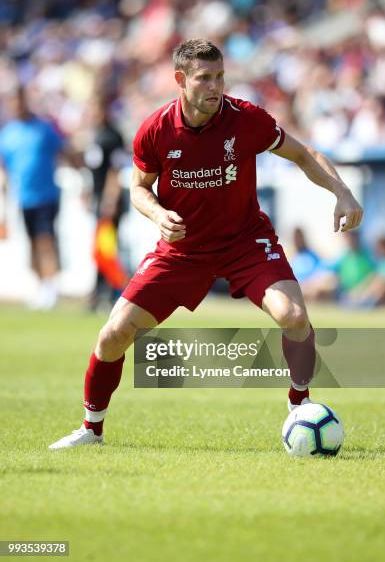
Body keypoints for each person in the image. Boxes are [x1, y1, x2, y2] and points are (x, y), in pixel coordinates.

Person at [49, 39, 363, 449]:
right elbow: (139, 189)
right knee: (113, 335)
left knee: (293, 316)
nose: (215, 87)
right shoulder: (155, 130)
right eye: (204, 78)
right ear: (181, 80)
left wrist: (342, 192)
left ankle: (299, 408)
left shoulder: (246, 119)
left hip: (245, 241)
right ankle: (91, 429)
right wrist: (159, 215)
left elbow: (304, 154)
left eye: (219, 77)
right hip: (183, 251)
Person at [0, 86, 65, 310]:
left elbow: (63, 151)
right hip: (24, 198)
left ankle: (51, 286)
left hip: (47, 195)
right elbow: (5, 170)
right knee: (32, 243)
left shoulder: (43, 129)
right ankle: (40, 285)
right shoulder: (7, 134)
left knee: (45, 239)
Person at [83, 95, 129, 310]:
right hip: (99, 200)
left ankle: (112, 292)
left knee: (106, 249)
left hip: (109, 203)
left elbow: (116, 169)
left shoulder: (112, 136)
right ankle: (101, 292)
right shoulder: (95, 135)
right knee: (101, 248)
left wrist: (110, 200)